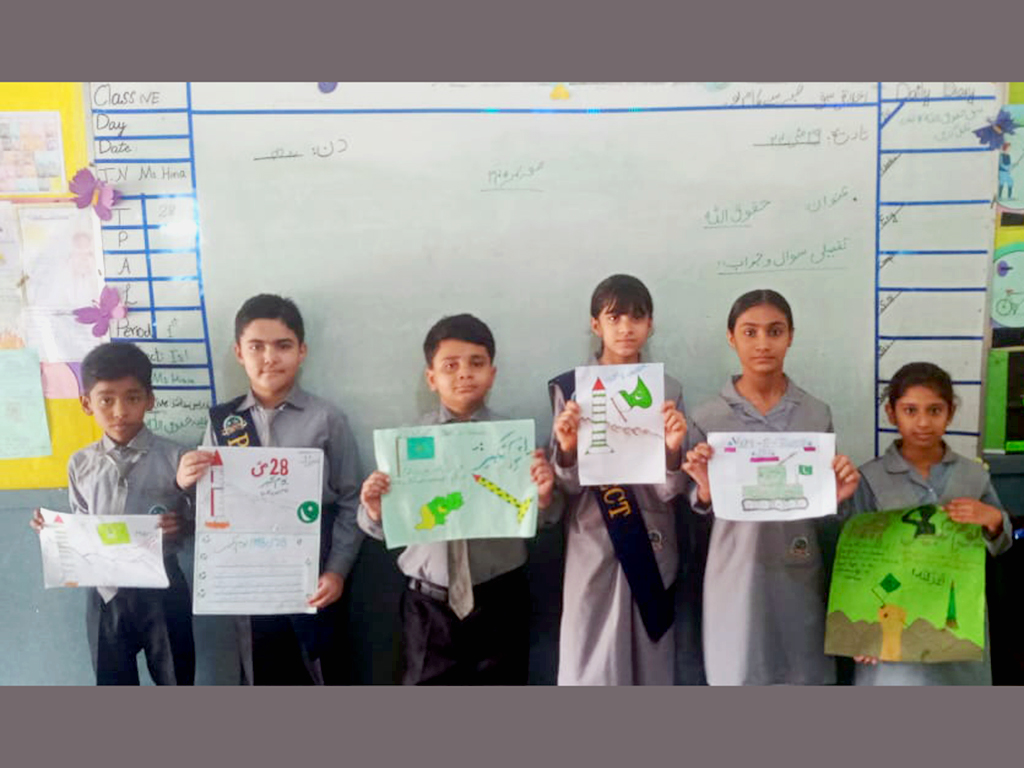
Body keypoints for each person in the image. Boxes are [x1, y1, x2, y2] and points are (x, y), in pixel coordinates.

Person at [359, 313, 557, 684]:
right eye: (450, 365)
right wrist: (374, 508)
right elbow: (375, 526)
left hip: (500, 597)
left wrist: (544, 497)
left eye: (476, 363)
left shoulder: (514, 442)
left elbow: (545, 517)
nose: (464, 373)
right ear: (431, 378)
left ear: (492, 374)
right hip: (427, 604)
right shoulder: (405, 443)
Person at [175, 294, 363, 685]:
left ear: (301, 351)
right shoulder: (223, 422)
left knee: (324, 671)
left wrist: (337, 570)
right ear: (239, 353)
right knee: (261, 673)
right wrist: (187, 484)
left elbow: (350, 501)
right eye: (256, 346)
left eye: (283, 346)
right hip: (250, 577)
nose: (269, 357)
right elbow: (210, 505)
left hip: (314, 569)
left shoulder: (327, 419)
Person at [682, 288, 859, 685]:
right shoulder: (708, 416)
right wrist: (705, 491)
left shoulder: (815, 413)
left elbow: (825, 507)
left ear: (791, 336)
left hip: (797, 570)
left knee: (801, 673)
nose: (763, 344)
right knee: (737, 672)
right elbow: (693, 507)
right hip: (734, 574)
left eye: (775, 331)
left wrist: (837, 496)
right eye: (750, 332)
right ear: (731, 337)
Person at [548, 274, 688, 685]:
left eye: (636, 317)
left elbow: (671, 488)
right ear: (596, 325)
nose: (626, 328)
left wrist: (672, 450)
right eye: (614, 318)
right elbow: (566, 485)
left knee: (649, 657)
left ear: (650, 324)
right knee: (590, 657)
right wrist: (568, 448)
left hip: (652, 538)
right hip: (593, 535)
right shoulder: (571, 390)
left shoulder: (668, 389)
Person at [31, 342, 195, 685]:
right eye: (106, 399)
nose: (120, 411)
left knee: (176, 679)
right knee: (112, 681)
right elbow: (82, 526)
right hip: (104, 590)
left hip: (163, 586)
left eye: (132, 398)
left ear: (150, 400)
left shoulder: (178, 458)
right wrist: (54, 531)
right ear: (86, 403)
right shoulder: (80, 463)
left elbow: (204, 522)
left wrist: (183, 524)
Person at [845, 361, 1013, 685]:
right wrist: (860, 626)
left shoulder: (973, 475)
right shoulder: (870, 478)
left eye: (934, 410)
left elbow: (1001, 542)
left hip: (958, 623)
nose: (923, 422)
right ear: (891, 413)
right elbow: (854, 563)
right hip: (893, 626)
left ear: (950, 413)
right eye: (910, 410)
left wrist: (993, 520)